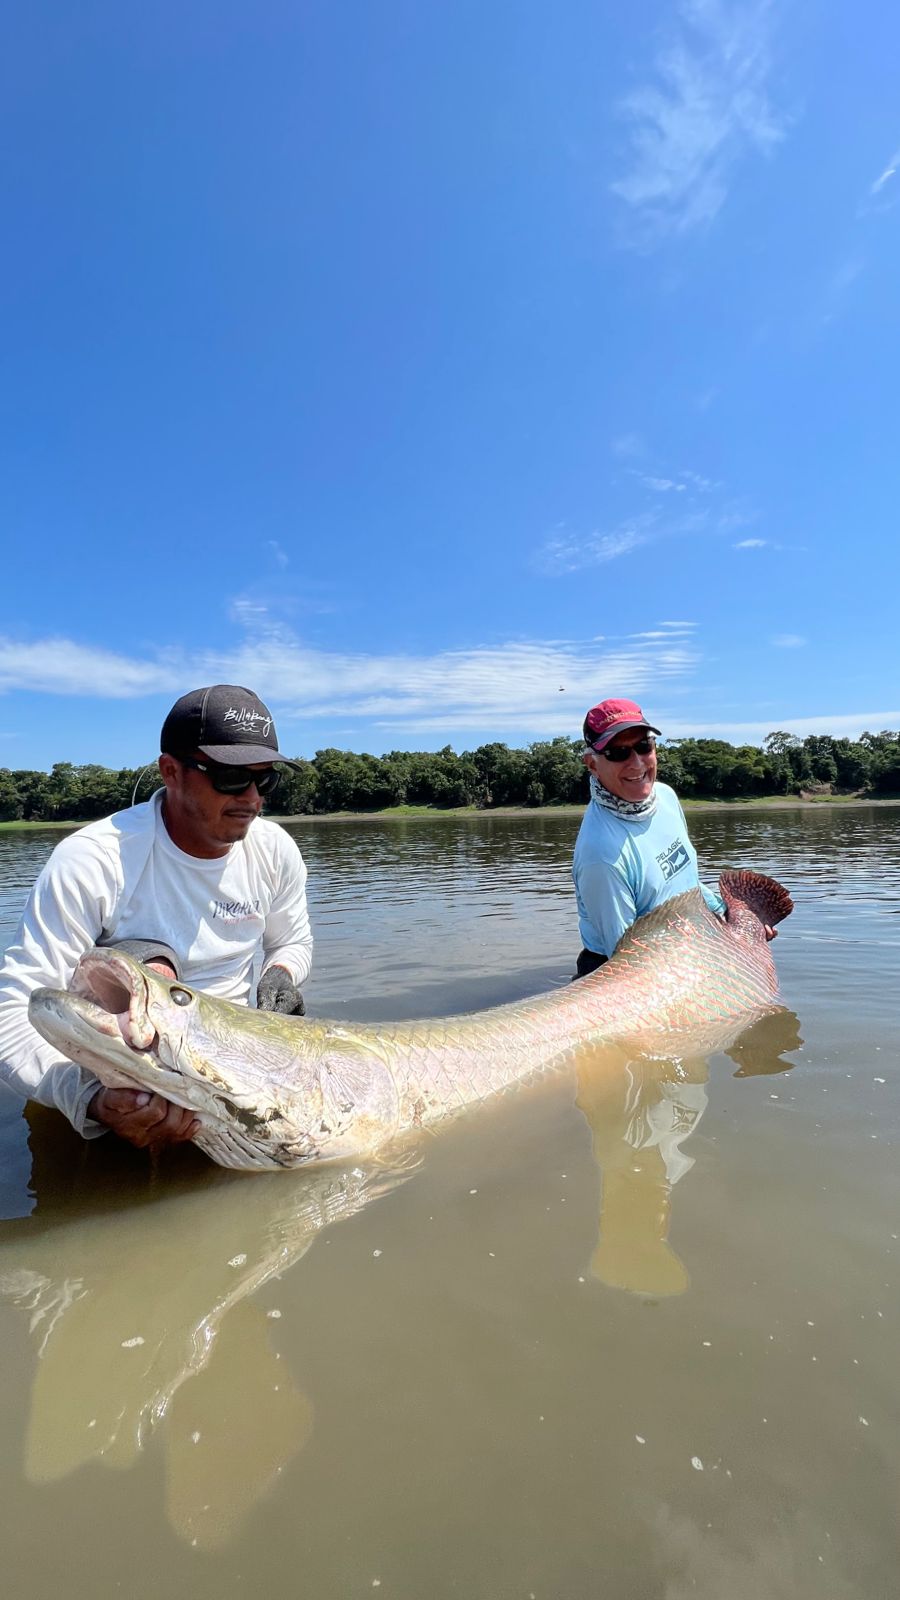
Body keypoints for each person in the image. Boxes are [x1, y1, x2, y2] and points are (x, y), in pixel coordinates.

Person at [0, 684, 313, 1150]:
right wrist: (88, 1099)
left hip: (234, 1063)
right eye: (230, 778)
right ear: (171, 771)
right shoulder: (93, 861)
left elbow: (291, 941)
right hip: (119, 1083)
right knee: (141, 962)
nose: (251, 798)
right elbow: (14, 1015)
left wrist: (281, 975)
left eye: (265, 780)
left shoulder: (273, 850)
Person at [572, 697, 757, 978]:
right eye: (618, 753)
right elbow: (627, 961)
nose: (636, 763)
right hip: (621, 972)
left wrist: (732, 917)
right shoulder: (601, 855)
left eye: (643, 746)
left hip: (685, 945)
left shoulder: (666, 797)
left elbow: (686, 882)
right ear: (592, 764)